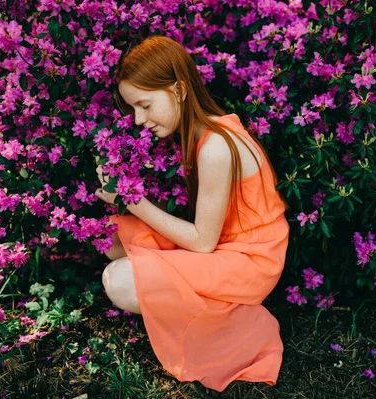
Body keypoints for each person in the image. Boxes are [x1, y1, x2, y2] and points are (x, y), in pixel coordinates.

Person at [94, 35, 290, 393]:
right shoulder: (203, 134)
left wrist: (134, 199)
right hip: (224, 247)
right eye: (133, 109)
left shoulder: (216, 147)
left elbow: (202, 242)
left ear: (180, 89)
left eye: (145, 105)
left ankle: (239, 322)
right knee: (110, 239)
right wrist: (118, 196)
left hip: (250, 261)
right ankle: (211, 304)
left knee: (119, 281)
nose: (139, 120)